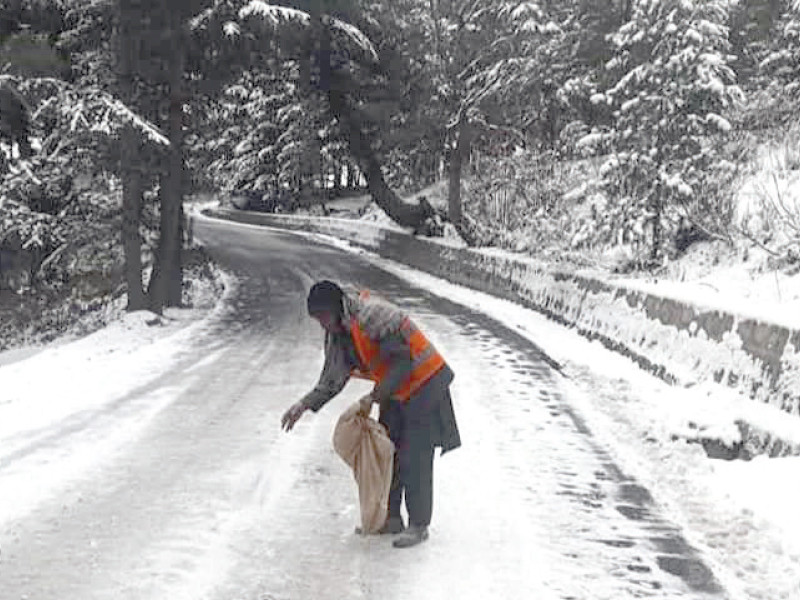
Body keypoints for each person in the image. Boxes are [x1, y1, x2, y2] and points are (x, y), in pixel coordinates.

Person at [281, 280, 461, 548]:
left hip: (424, 384)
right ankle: (390, 518)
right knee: (386, 451)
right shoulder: (339, 331)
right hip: (396, 390)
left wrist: (374, 397)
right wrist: (303, 405)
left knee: (415, 456)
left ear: (336, 308)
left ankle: (419, 525)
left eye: (323, 317)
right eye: (317, 320)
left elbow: (403, 362)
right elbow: (332, 378)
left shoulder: (372, 316)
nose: (322, 325)